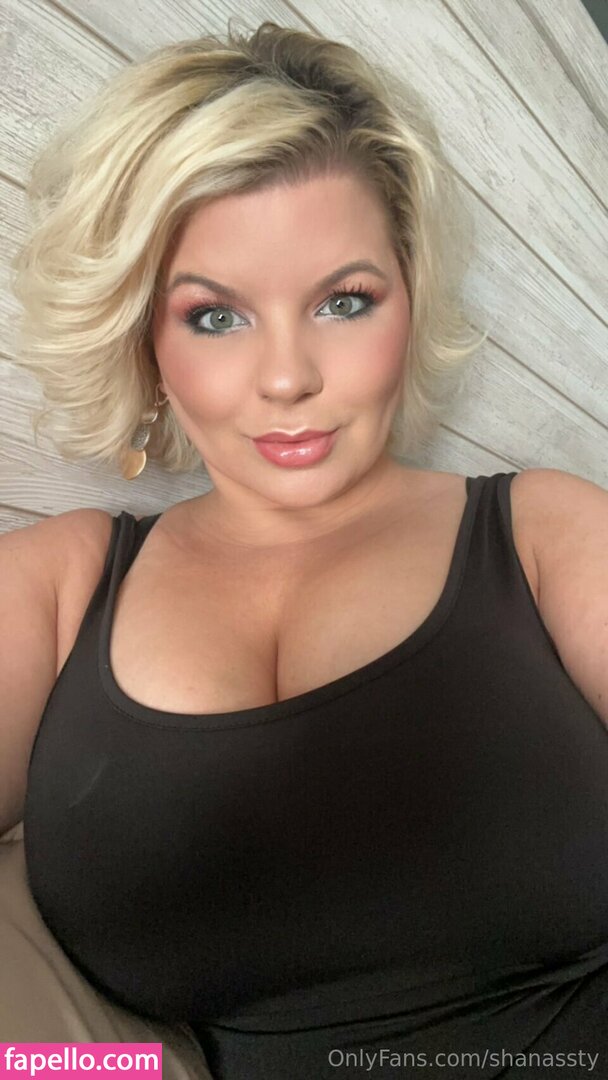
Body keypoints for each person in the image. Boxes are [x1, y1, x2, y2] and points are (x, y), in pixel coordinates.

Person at [2, 19, 607, 1080]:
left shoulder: (545, 532)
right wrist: (78, 1070)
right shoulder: (58, 585)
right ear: (144, 337)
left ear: (408, 299)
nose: (288, 377)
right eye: (214, 317)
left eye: (342, 301)